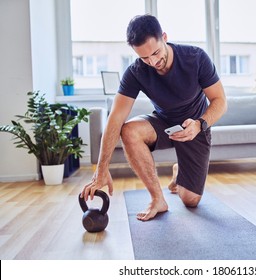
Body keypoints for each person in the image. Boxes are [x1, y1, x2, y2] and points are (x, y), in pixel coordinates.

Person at [81, 14, 227, 221]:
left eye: (156, 53)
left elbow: (220, 100)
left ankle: (179, 173)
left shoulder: (195, 58)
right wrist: (101, 170)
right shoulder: (136, 72)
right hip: (164, 121)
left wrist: (199, 124)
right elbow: (115, 118)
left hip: (194, 125)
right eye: (144, 58)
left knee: (190, 200)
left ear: (164, 37)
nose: (153, 61)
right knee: (129, 130)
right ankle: (157, 198)